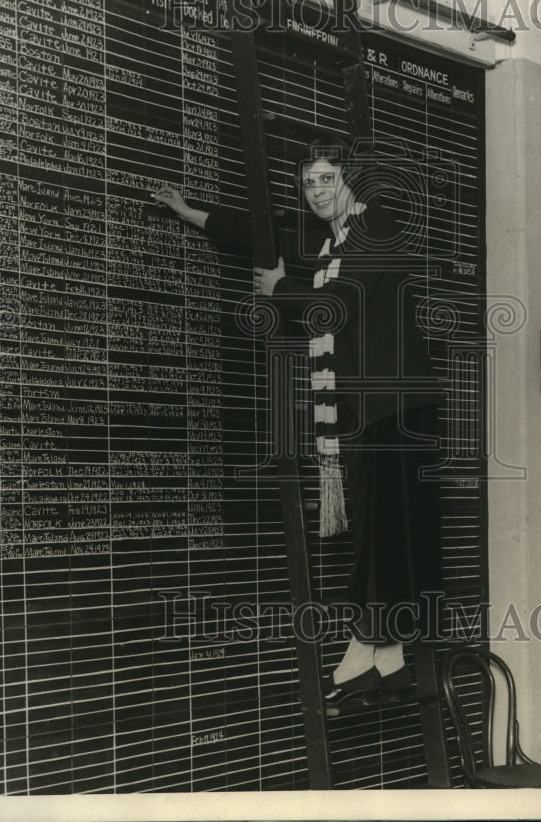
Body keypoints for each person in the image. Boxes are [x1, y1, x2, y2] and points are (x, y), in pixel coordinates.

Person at [153, 137, 445, 704]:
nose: (316, 192)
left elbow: (337, 303)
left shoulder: (375, 224)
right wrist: (191, 213)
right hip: (377, 408)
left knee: (385, 535)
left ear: (350, 180)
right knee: (383, 533)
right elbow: (264, 238)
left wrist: (279, 288)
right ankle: (391, 664)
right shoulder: (332, 238)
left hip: (393, 409)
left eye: (326, 179)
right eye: (308, 183)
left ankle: (366, 652)